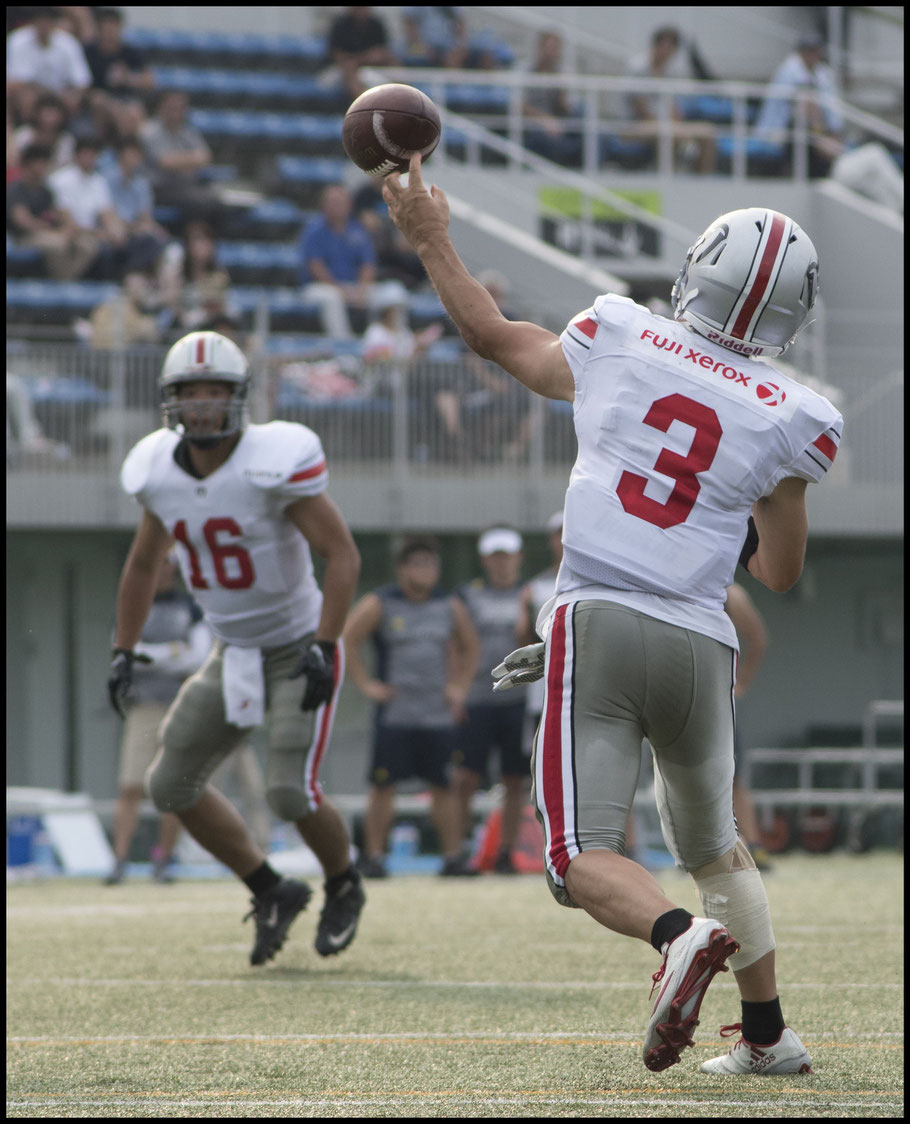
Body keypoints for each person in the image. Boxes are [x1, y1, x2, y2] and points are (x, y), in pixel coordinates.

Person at [383, 154, 843, 1075]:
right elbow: (783, 571)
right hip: (703, 643)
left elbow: (492, 337)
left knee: (576, 856)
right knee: (717, 846)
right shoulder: (796, 412)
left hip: (598, 617)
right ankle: (767, 1038)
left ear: (698, 269)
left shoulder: (622, 330)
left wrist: (429, 236)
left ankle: (677, 938)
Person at [107, 329, 366, 966]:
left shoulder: (272, 460)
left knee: (288, 792)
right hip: (232, 650)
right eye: (188, 393)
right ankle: (270, 888)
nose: (200, 405)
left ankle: (344, 884)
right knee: (167, 783)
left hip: (298, 643)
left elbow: (342, 556)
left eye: (213, 392)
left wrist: (327, 644)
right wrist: (124, 648)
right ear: (171, 402)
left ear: (237, 398)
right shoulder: (158, 472)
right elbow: (143, 565)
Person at [342, 535, 480, 878]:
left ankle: (452, 858)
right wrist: (366, 685)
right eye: (417, 564)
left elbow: (471, 646)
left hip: (437, 715)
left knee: (443, 786)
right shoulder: (381, 603)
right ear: (402, 568)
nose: (425, 571)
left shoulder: (448, 604)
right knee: (382, 786)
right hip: (396, 714)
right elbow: (347, 639)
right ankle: (374, 857)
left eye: (431, 564)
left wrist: (459, 687)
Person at [104, 551, 209, 885]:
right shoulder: (133, 604)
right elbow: (124, 651)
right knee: (131, 786)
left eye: (168, 563)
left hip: (179, 705)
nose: (162, 569)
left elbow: (198, 657)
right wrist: (172, 652)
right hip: (143, 706)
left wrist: (154, 655)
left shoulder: (190, 608)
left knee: (173, 788)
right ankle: (119, 861)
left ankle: (163, 860)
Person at [453, 527, 530, 874]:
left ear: (518, 558)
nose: (502, 563)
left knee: (515, 779)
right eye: (495, 556)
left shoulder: (529, 595)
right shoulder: (468, 596)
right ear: (486, 560)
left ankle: (505, 853)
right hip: (478, 697)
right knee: (466, 777)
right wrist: (456, 688)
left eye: (507, 556)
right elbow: (454, 644)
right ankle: (459, 853)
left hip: (519, 697)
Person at [754, 34, 903, 209]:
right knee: (874, 155)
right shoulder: (798, 128)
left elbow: (832, 143)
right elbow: (830, 151)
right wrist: (830, 141)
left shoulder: (814, 123)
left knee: (877, 186)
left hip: (832, 170)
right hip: (828, 175)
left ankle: (897, 212)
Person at [298, 182, 408, 340]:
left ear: (349, 205)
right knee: (331, 298)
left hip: (355, 287)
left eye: (341, 202)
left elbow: (368, 264)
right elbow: (315, 266)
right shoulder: (314, 231)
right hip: (321, 287)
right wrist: (342, 290)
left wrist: (362, 289)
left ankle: (395, 347)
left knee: (395, 292)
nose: (337, 207)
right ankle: (345, 347)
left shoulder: (358, 230)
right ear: (323, 206)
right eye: (332, 202)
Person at [724, 581, 774, 872]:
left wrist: (741, 684)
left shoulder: (731, 592)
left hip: (717, 695)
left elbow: (759, 638)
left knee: (733, 776)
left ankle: (753, 846)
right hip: (682, 689)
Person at [623, 25, 716, 174]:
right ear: (656, 45)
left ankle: (701, 183)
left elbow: (673, 107)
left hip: (664, 125)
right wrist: (673, 127)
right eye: (665, 46)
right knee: (671, 134)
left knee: (707, 133)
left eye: (672, 48)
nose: (668, 52)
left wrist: (677, 122)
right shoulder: (638, 67)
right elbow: (641, 110)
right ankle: (666, 178)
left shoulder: (668, 71)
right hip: (636, 125)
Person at [6, 142, 99, 280]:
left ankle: (67, 279)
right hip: (24, 237)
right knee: (58, 244)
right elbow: (24, 222)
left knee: (87, 245)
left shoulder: (46, 191)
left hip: (50, 233)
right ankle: (63, 282)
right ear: (28, 165)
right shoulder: (15, 190)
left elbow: (57, 214)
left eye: (45, 162)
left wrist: (67, 228)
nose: (43, 167)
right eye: (39, 163)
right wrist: (54, 232)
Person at [140, 89, 224, 228]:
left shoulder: (187, 131)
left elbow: (206, 157)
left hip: (185, 186)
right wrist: (191, 160)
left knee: (215, 200)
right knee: (198, 201)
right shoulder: (150, 131)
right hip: (159, 188)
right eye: (172, 108)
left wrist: (180, 161)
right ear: (161, 107)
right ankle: (192, 241)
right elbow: (166, 162)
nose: (176, 112)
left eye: (180, 108)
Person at [47, 134, 128, 279]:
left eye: (93, 155)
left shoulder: (99, 181)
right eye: (85, 154)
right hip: (68, 231)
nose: (89, 159)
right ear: (76, 155)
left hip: (91, 233)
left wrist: (116, 232)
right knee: (88, 247)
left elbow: (107, 213)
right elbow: (67, 220)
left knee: (123, 244)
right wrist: (99, 234)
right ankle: (65, 282)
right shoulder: (60, 179)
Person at [6, 6, 92, 126]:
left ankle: (66, 134)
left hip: (62, 96)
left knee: (81, 99)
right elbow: (18, 80)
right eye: (40, 20)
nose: (43, 25)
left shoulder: (68, 42)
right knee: (21, 94)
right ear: (33, 22)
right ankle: (28, 130)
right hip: (34, 95)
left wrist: (71, 96)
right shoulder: (17, 40)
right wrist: (47, 95)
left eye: (47, 20)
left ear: (54, 23)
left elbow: (82, 81)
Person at [83, 7, 155, 143]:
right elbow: (81, 81)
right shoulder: (89, 51)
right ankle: (103, 145)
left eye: (113, 27)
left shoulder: (130, 51)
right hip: (95, 97)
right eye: (106, 27)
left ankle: (130, 150)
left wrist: (128, 78)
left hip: (125, 98)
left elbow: (149, 81)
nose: (109, 32)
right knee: (101, 103)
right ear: (99, 29)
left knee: (135, 113)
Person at [521, 30, 582, 168]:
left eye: (555, 48)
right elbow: (521, 106)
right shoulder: (526, 71)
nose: (551, 53)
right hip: (533, 124)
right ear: (539, 48)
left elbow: (567, 108)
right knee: (547, 138)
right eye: (548, 47)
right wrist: (545, 119)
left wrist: (561, 90)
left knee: (586, 128)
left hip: (559, 123)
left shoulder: (562, 73)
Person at [326, 7, 396, 102]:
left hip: (372, 67)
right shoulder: (340, 25)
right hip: (340, 70)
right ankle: (363, 104)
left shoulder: (376, 24)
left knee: (394, 63)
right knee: (349, 66)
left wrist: (374, 57)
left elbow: (383, 51)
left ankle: (403, 99)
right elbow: (337, 55)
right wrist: (364, 58)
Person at [11, 92, 76, 171]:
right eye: (47, 113)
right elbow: (14, 161)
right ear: (36, 114)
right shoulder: (24, 135)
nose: (51, 118)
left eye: (55, 113)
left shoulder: (66, 139)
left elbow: (66, 167)